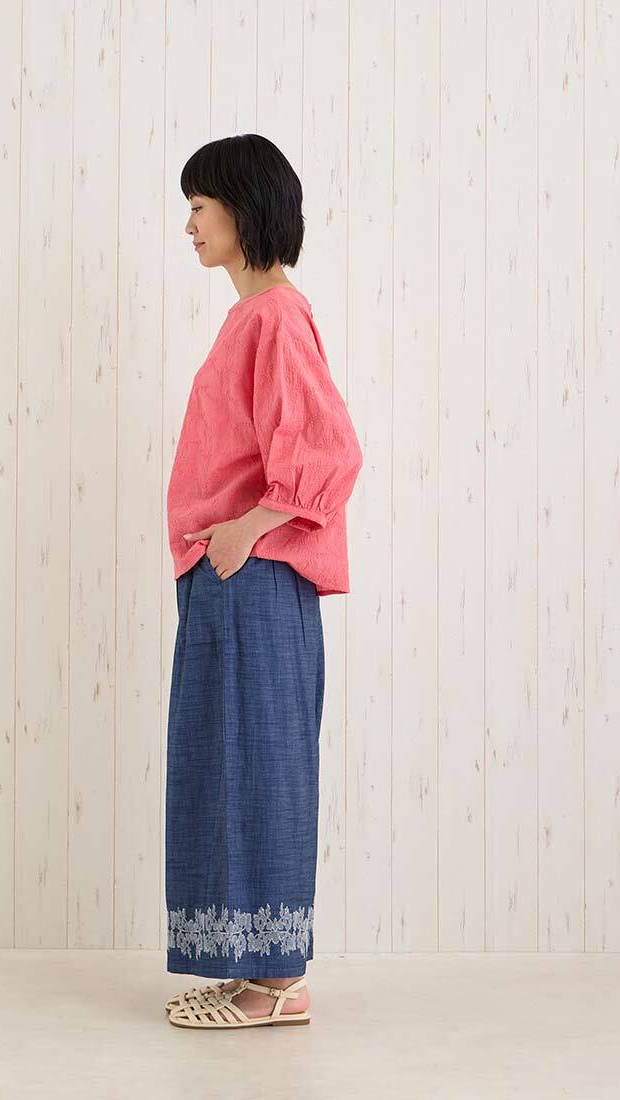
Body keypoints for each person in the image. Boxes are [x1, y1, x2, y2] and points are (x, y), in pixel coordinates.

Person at [163, 134, 364, 1030]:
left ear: (242, 211)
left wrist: (247, 529)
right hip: (229, 579)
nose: (189, 225)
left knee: (259, 766)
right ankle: (252, 971)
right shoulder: (253, 317)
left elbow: (329, 449)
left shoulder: (276, 316)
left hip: (256, 579)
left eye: (199, 206)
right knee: (227, 767)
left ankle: (276, 985)